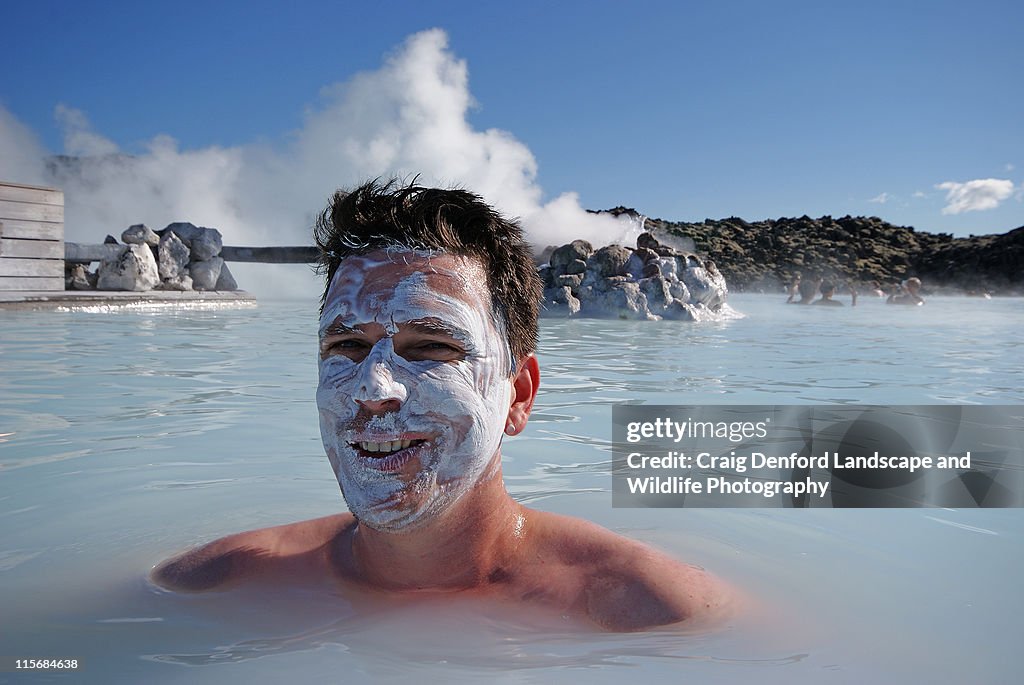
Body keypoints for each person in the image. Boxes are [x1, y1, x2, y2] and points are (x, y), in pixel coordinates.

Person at [152, 180, 733, 632]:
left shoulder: (650, 610)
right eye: (346, 346)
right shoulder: (219, 582)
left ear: (519, 395)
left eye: (430, 347)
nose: (371, 387)